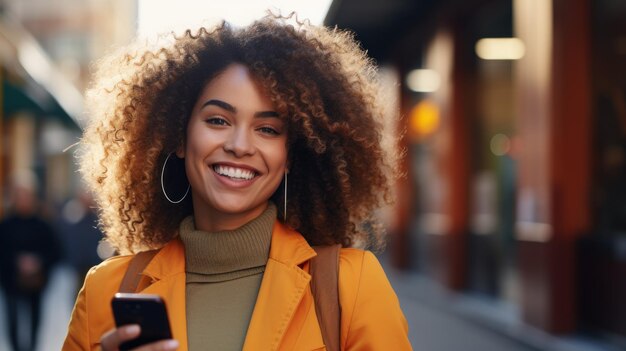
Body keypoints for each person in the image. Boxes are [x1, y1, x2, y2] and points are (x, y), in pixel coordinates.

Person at [63, 15, 411, 350]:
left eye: (267, 129)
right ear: (179, 138)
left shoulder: (351, 285)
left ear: (289, 155)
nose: (240, 145)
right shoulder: (105, 292)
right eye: (218, 120)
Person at [0, 171, 62, 351]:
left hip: (36, 281)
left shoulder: (43, 224)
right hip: (11, 280)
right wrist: (16, 262)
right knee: (12, 318)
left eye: (27, 195)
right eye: (19, 195)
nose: (23, 199)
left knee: (35, 318)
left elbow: (55, 252)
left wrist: (37, 262)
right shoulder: (6, 224)